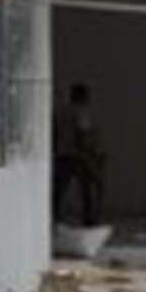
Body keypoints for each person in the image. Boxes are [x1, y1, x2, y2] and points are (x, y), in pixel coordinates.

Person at [54, 82, 105, 225]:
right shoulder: (81, 111)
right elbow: (83, 133)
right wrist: (91, 153)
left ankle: (54, 216)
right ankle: (90, 218)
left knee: (59, 189)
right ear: (83, 96)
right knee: (89, 188)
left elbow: (56, 132)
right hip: (78, 155)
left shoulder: (62, 112)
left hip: (62, 154)